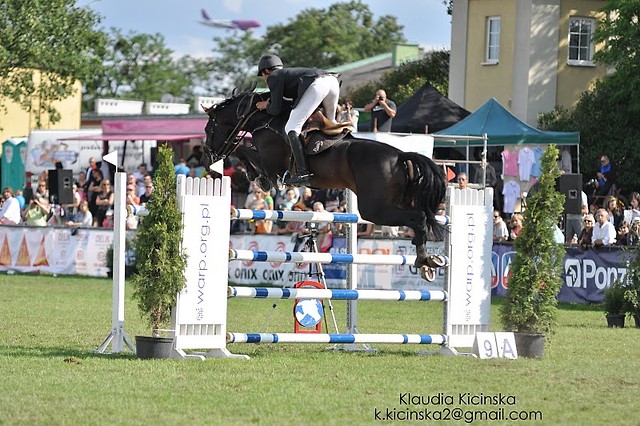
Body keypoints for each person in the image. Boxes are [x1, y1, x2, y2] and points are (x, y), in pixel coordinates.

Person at [255, 54, 340, 186]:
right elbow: (291, 102)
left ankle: (303, 173)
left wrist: (265, 105)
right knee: (331, 123)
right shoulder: (289, 75)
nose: (265, 79)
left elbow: (276, 109)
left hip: (318, 84)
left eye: (263, 75)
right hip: (332, 81)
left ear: (266, 71)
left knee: (292, 127)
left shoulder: (274, 76)